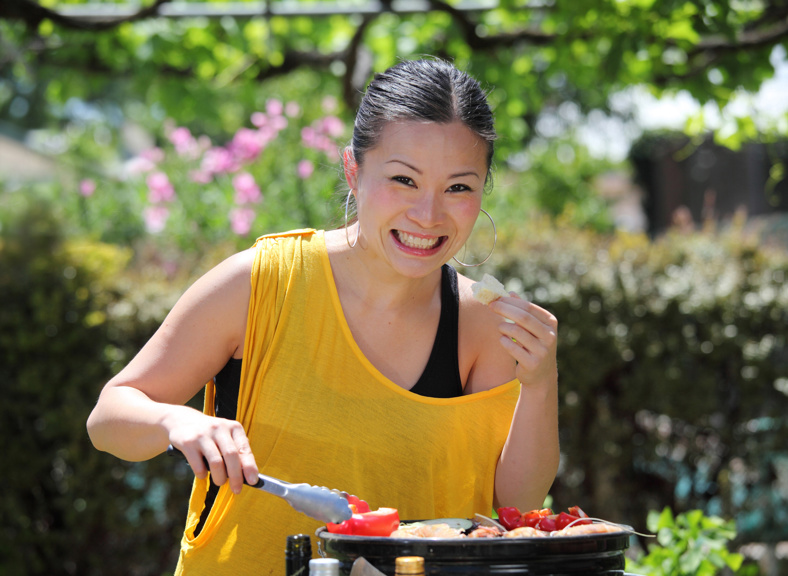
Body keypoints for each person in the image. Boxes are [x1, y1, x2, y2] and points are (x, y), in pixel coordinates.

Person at [87, 58, 559, 574]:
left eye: (459, 188)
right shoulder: (261, 283)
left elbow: (515, 501)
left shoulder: (485, 325)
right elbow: (109, 417)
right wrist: (174, 419)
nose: (428, 215)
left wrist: (539, 383)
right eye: (403, 179)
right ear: (354, 171)